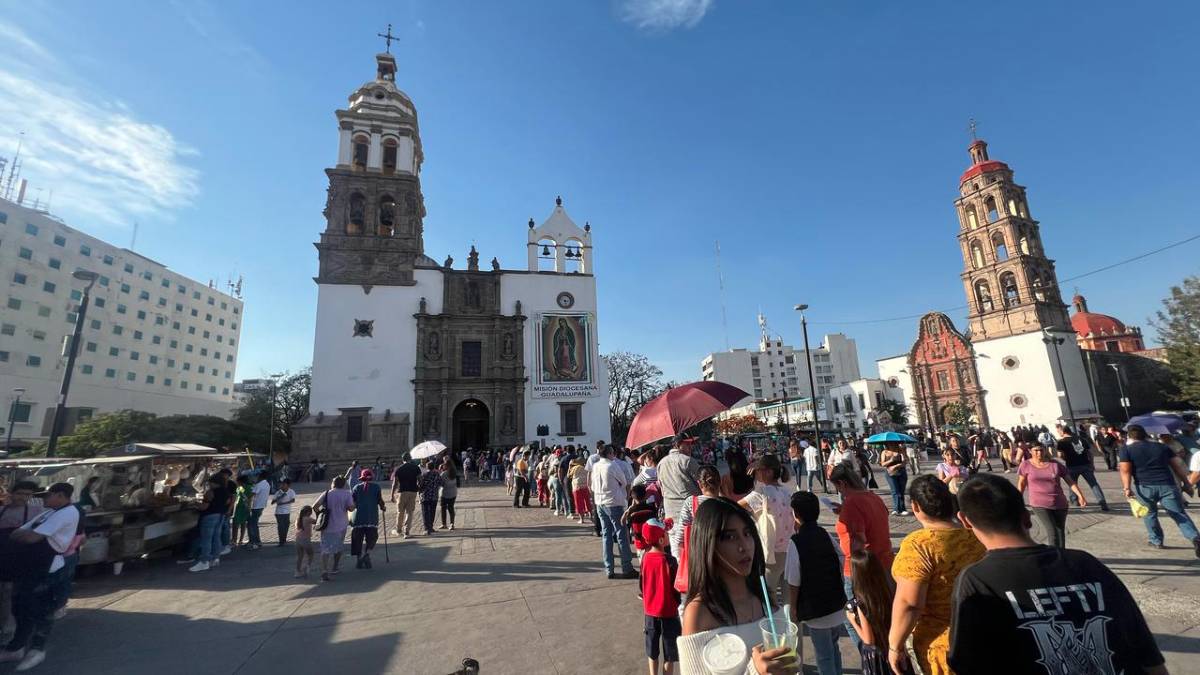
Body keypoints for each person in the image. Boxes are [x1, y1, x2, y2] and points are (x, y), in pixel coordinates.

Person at [948, 474, 1168, 674]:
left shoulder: (977, 581)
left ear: (965, 520)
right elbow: (1144, 647)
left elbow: (967, 662)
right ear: (1027, 516)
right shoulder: (1085, 563)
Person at [676, 498, 796, 675]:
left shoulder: (764, 599)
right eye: (730, 537)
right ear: (708, 544)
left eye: (747, 533)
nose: (744, 546)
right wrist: (755, 672)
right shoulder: (700, 612)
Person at [887, 476, 985, 675]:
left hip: (943, 645)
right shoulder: (976, 536)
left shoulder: (918, 545)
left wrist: (894, 646)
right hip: (981, 633)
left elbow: (910, 603)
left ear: (916, 506)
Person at [0, 483, 80, 672]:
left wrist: (26, 535)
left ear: (60, 496)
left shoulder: (67, 513)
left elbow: (30, 537)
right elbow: (19, 532)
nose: (43, 499)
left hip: (46, 567)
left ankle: (37, 649)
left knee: (41, 609)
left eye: (47, 495)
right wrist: (25, 534)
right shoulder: (49, 513)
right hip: (27, 566)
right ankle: (16, 647)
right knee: (20, 607)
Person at [829, 463, 892, 648]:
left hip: (860, 568)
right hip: (884, 560)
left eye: (838, 487)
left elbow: (858, 539)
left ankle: (870, 656)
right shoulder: (873, 497)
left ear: (842, 483)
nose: (839, 491)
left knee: (854, 617)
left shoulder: (852, 503)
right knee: (880, 614)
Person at [785, 491, 846, 675]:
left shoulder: (796, 541)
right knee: (834, 648)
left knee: (824, 655)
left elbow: (793, 580)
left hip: (815, 610)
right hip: (835, 603)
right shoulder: (824, 534)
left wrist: (793, 609)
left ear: (796, 514)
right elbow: (841, 557)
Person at [1119, 424, 1200, 556]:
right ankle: (1195, 538)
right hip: (1167, 485)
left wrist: (1127, 488)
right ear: (1145, 434)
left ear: (1130, 436)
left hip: (1144, 487)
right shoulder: (1162, 447)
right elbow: (1177, 466)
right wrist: (1186, 483)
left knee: (1150, 514)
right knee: (1178, 513)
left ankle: (1156, 540)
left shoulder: (1126, 450)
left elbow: (1125, 470)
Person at [736, 455, 793, 605]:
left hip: (770, 551)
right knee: (788, 598)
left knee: (768, 596)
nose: (756, 474)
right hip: (788, 549)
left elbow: (735, 507)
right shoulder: (787, 491)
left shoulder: (762, 493)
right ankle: (791, 621)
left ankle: (773, 620)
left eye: (759, 470)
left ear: (768, 472)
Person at [846, 550, 910, 675]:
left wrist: (852, 621)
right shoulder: (886, 591)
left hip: (878, 659)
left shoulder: (862, 603)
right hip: (893, 647)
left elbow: (869, 640)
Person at [1017, 443, 1088, 548]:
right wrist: (1017, 499)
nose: (1039, 453)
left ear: (1045, 450)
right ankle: (1054, 555)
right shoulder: (1025, 465)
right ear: (1030, 451)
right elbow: (1021, 483)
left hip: (1060, 503)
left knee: (1060, 531)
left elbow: (1070, 481)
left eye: (1041, 450)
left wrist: (1080, 496)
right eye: (1036, 450)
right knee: (1052, 531)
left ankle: (1061, 554)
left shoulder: (1055, 464)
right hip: (1039, 504)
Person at [639, 518, 681, 675]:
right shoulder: (670, 561)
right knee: (669, 655)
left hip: (650, 613)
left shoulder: (645, 558)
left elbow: (641, 584)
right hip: (668, 613)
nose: (669, 535)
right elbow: (677, 588)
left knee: (652, 651)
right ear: (662, 540)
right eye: (666, 533)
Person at [589, 446, 636, 579]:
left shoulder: (596, 466)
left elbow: (592, 486)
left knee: (606, 535)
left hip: (600, 502)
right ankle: (627, 567)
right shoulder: (612, 465)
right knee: (621, 534)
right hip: (613, 502)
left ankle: (609, 568)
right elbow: (624, 481)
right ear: (610, 454)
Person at [657, 437, 701, 561]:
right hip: (689, 513)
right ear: (677, 445)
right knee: (694, 553)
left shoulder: (661, 463)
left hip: (671, 514)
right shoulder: (688, 461)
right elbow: (702, 484)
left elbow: (662, 489)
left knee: (677, 553)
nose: (690, 447)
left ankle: (679, 572)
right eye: (687, 444)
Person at [1055, 424, 1109, 512]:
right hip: (1085, 464)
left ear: (1062, 431)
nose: (1058, 433)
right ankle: (1102, 502)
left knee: (1072, 484)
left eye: (1058, 431)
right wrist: (1091, 464)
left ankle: (1075, 501)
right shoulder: (1081, 439)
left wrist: (1066, 459)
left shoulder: (1062, 442)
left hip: (1072, 465)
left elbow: (1060, 455)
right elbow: (1090, 453)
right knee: (1093, 484)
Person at [313, 475, 355, 582]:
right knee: (338, 546)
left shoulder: (327, 493)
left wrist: (320, 515)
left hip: (327, 525)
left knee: (325, 548)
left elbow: (315, 506)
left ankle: (324, 570)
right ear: (343, 484)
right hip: (341, 525)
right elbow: (351, 508)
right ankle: (335, 567)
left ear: (333, 483)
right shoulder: (347, 494)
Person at [189, 476, 229, 573]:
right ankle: (215, 558)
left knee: (206, 539)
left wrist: (195, 504)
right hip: (220, 515)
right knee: (216, 538)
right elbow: (228, 502)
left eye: (210, 483)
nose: (209, 484)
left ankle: (204, 561)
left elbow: (204, 507)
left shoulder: (210, 492)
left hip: (210, 516)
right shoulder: (226, 491)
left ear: (215, 483)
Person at [350, 469, 385, 569]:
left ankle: (359, 558)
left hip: (358, 518)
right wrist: (383, 507)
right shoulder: (376, 487)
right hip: (371, 517)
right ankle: (367, 554)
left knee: (357, 539)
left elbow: (352, 503)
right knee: (372, 537)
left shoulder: (356, 487)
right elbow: (380, 501)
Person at [389, 455, 420, 539]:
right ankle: (407, 532)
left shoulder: (399, 469)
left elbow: (395, 483)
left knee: (400, 512)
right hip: (413, 491)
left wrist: (392, 495)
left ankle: (398, 530)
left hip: (402, 492)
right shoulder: (416, 468)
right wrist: (418, 488)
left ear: (402, 459)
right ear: (410, 459)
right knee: (409, 512)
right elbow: (420, 480)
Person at [878, 443, 909, 515]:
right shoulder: (885, 452)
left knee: (901, 491)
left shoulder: (900, 450)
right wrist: (891, 460)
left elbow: (905, 461)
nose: (892, 445)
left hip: (901, 472)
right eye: (890, 443)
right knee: (895, 491)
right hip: (890, 473)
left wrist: (897, 465)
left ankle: (903, 509)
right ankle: (896, 509)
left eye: (893, 443)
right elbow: (882, 464)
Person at [417, 460, 443, 535]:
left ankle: (426, 528)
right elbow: (441, 483)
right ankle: (431, 527)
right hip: (434, 496)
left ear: (427, 467)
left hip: (425, 496)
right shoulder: (437, 474)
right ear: (433, 467)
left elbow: (420, 485)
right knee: (432, 512)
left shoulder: (424, 475)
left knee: (425, 512)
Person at [247, 471, 270, 550]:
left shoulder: (259, 485)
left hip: (256, 507)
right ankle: (256, 541)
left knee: (252, 525)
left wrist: (246, 499)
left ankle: (254, 542)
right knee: (254, 524)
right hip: (261, 506)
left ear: (260, 477)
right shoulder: (267, 484)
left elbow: (252, 494)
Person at [271, 479, 297, 547]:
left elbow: (293, 500)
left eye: (284, 484)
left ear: (288, 485)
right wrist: (280, 497)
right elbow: (272, 502)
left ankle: (284, 539)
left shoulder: (291, 491)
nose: (282, 485)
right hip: (279, 512)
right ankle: (281, 541)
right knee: (281, 527)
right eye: (282, 484)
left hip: (287, 512)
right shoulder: (278, 492)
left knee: (286, 526)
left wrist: (283, 503)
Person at [568, 455, 591, 525]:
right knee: (587, 501)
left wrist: (569, 466)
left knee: (579, 503)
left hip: (577, 487)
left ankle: (582, 519)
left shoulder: (574, 468)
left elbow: (568, 476)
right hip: (585, 486)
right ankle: (590, 515)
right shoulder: (586, 468)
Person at [294, 505, 315, 579]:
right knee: (311, 554)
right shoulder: (308, 519)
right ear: (308, 512)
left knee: (300, 556)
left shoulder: (298, 519)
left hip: (298, 540)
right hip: (306, 540)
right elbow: (317, 522)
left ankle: (297, 571)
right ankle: (306, 568)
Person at [231, 476, 251, 547]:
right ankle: (239, 540)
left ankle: (235, 540)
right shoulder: (248, 487)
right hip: (244, 507)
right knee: (242, 523)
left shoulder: (241, 488)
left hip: (240, 507)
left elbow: (237, 497)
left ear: (240, 481)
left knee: (236, 524)